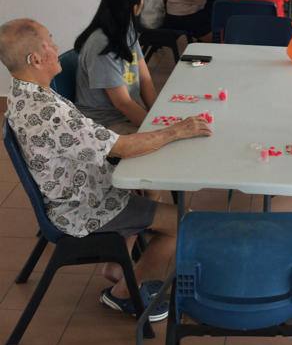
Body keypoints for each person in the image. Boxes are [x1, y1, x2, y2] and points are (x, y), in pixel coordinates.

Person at [0, 18, 211, 320]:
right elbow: (121, 147)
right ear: (35, 59)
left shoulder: (23, 94)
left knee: (138, 186)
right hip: (82, 207)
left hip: (79, 189)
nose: (57, 47)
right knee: (182, 223)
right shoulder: (47, 111)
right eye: (50, 42)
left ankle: (117, 267)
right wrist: (177, 131)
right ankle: (123, 293)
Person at [75, 0, 155, 133]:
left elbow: (145, 79)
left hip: (123, 117)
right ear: (135, 6)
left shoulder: (127, 29)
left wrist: (158, 116)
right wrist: (157, 129)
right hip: (104, 125)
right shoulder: (101, 45)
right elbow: (123, 103)